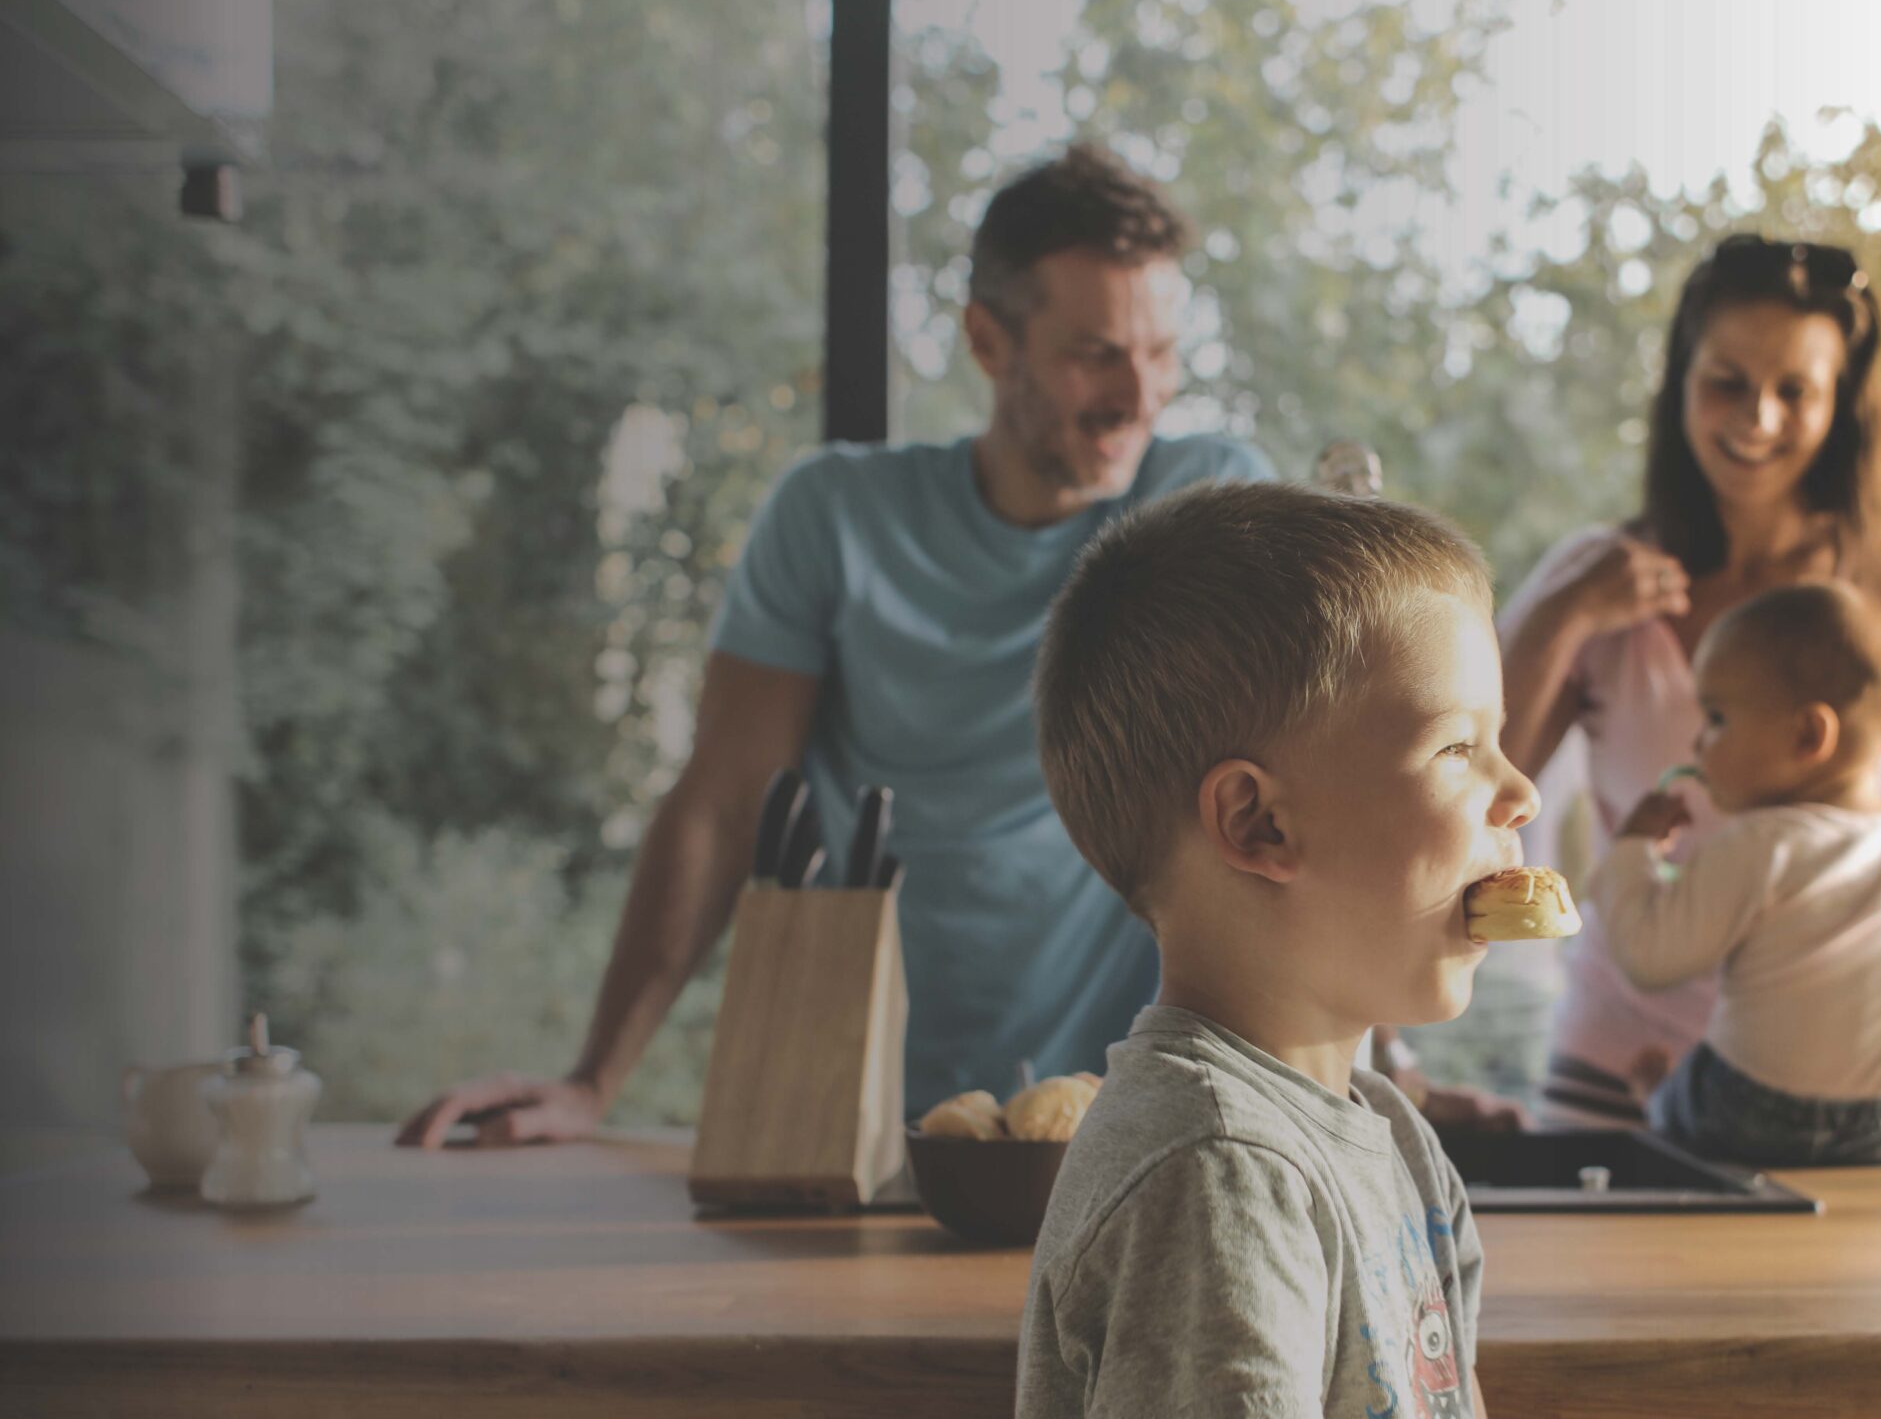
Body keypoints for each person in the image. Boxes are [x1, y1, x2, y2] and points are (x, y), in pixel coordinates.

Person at [396, 144, 1274, 1145]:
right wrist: (593, 1082)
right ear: (989, 343)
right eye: (1094, 353)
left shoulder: (1208, 505)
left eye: (1160, 352)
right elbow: (725, 806)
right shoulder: (834, 516)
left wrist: (1395, 1073)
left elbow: (1303, 795)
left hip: (1138, 1124)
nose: (1138, 390)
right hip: (853, 1116)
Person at [1500, 234, 1881, 1130]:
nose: (1756, 416)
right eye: (1727, 381)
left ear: (1840, 406)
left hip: (1837, 1088)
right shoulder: (1595, 584)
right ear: (1682, 379)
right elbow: (1478, 788)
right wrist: (1562, 615)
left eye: (1795, 391)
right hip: (1617, 1065)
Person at [1018, 483, 1525, 1418]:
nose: (1521, 792)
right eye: (1459, 749)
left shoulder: (1391, 1136)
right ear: (1258, 824)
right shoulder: (1219, 1176)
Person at [1589, 582, 1881, 1165]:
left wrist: (1633, 853)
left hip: (1755, 1115)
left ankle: (1662, 1102)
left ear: (1809, 735)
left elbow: (1651, 956)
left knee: (1688, 1095)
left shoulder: (1758, 846)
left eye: (1716, 717)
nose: (1697, 741)